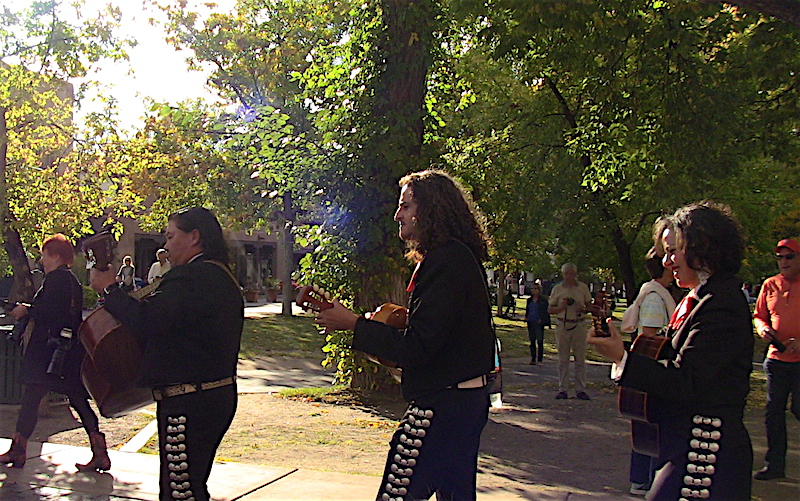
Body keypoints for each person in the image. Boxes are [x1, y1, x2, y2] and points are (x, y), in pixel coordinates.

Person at [314, 170, 496, 501]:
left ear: (430, 210)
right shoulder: (456, 258)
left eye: (405, 205)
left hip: (440, 408)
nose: (398, 215)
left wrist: (355, 324)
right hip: (462, 404)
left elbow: (417, 347)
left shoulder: (444, 262)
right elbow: (438, 338)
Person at [589, 202, 754, 500]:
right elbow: (672, 359)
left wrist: (623, 359)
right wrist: (621, 350)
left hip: (705, 454)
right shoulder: (702, 298)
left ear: (703, 248)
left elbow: (687, 380)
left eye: (673, 250)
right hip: (685, 445)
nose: (667, 261)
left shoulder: (722, 303)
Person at [89, 207, 243, 501]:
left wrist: (110, 291)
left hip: (190, 403)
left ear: (194, 237)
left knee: (179, 492)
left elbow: (148, 323)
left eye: (171, 236)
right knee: (188, 488)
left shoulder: (193, 278)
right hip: (207, 397)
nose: (166, 245)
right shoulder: (214, 275)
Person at [0, 234, 110, 472]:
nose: (42, 259)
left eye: (45, 254)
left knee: (32, 398)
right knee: (78, 400)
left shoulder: (56, 280)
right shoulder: (70, 281)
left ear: (56, 256)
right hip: (66, 352)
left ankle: (18, 449)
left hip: (49, 353)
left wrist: (26, 311)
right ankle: (99, 450)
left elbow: (48, 312)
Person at [619, 247, 677, 496]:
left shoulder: (656, 293)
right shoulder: (655, 297)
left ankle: (644, 478)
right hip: (651, 368)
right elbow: (650, 338)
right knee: (650, 425)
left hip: (650, 370)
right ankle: (643, 479)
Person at [752, 237, 800, 481]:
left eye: (789, 257)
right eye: (779, 257)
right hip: (776, 358)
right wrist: (762, 328)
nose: (783, 262)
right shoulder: (770, 285)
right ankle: (775, 465)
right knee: (774, 412)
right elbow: (759, 315)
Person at [548, 263, 593, 400]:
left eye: (572, 273)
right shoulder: (557, 289)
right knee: (563, 359)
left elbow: (590, 307)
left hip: (579, 325)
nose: (570, 276)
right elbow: (550, 310)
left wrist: (582, 308)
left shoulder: (583, 288)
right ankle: (563, 389)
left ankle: (580, 389)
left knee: (580, 359)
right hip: (563, 325)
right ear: (563, 274)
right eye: (567, 274)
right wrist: (561, 306)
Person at [525, 283, 549, 365]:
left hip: (539, 323)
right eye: (532, 289)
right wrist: (526, 317)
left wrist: (542, 320)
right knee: (532, 341)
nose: (533, 290)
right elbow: (528, 310)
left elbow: (546, 312)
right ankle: (533, 358)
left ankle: (539, 360)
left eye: (535, 288)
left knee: (540, 341)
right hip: (531, 322)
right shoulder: (529, 300)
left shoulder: (543, 300)